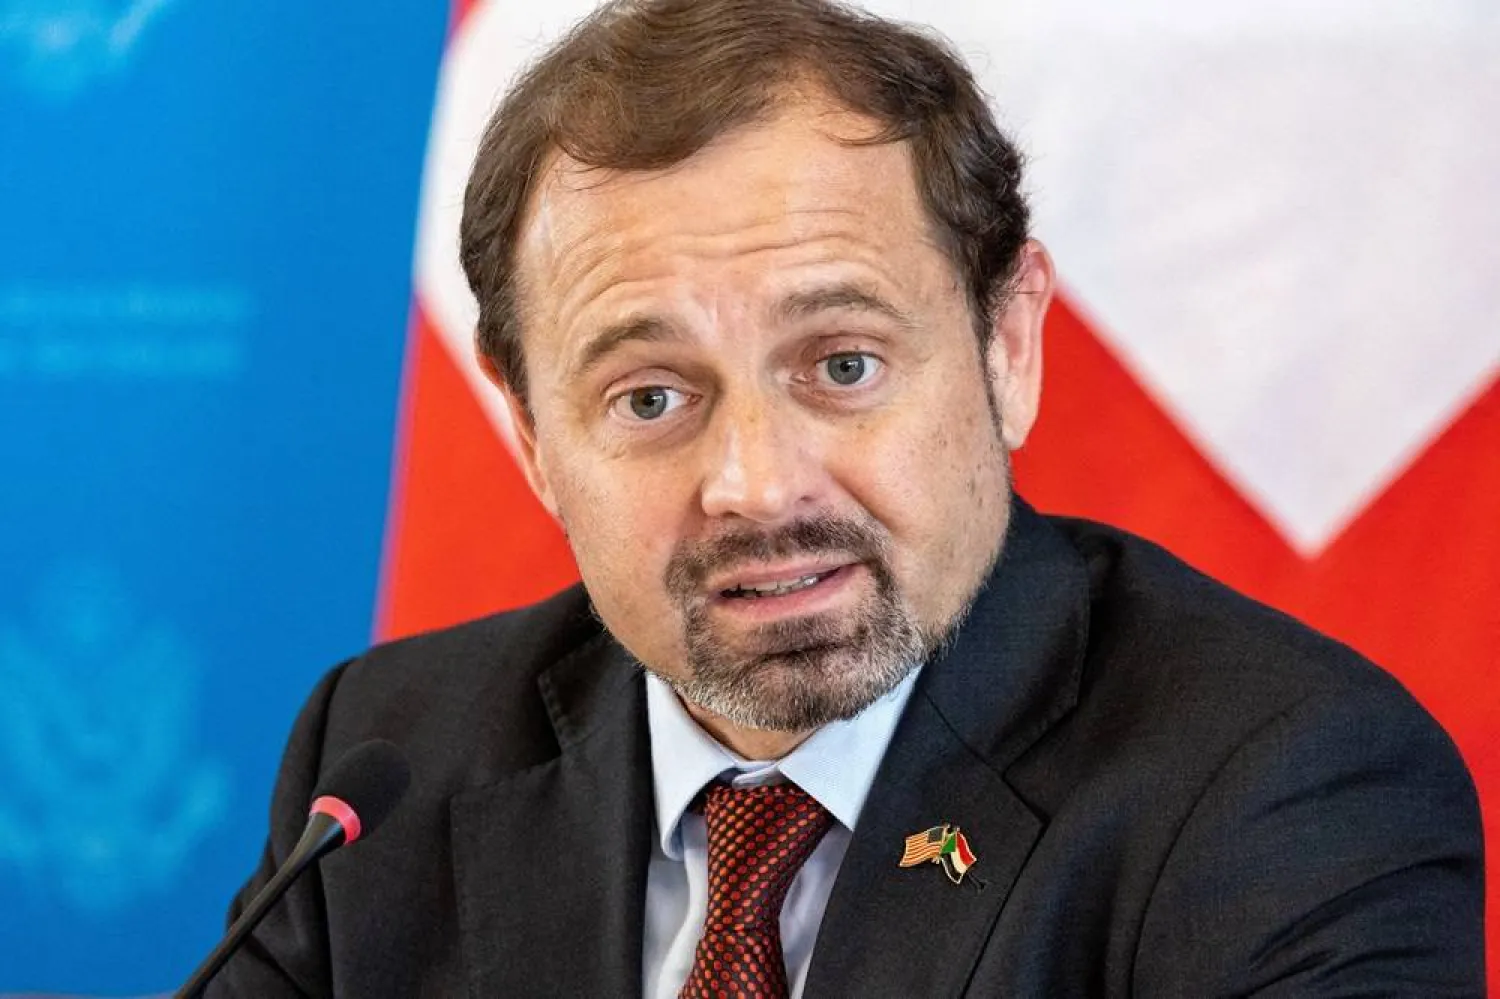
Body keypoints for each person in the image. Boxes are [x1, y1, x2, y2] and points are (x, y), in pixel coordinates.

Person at [209, 0, 1485, 995]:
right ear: (533, 433)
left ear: (1007, 351)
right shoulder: (388, 764)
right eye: (652, 397)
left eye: (843, 366)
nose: (757, 485)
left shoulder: (1283, 787)